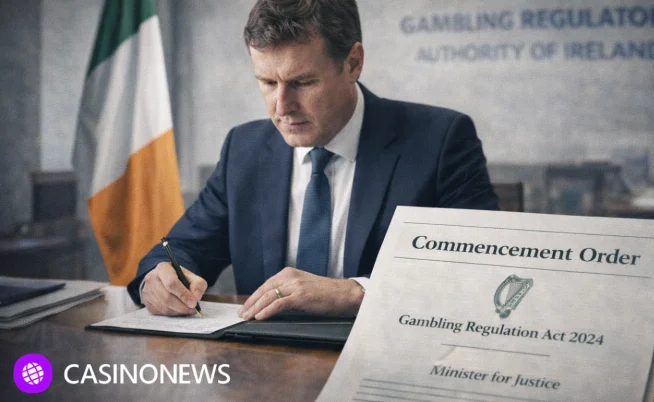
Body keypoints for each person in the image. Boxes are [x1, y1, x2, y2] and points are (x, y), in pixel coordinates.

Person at [127, 0, 499, 320]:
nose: (282, 107)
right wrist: (159, 280)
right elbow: (182, 249)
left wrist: (355, 292)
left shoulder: (441, 141)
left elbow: (480, 274)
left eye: (303, 83)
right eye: (267, 83)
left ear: (353, 63)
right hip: (262, 362)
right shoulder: (244, 148)